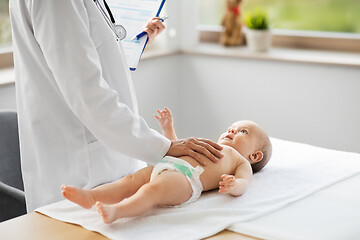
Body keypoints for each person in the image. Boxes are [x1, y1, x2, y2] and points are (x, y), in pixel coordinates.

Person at [9, 0, 223, 212]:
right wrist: (163, 147)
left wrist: (130, 43)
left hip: (104, 164)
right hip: (84, 170)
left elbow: (82, 56)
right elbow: (87, 93)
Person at [62, 108, 272, 224]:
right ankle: (91, 196)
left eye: (243, 132)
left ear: (255, 155)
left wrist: (234, 185)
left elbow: (244, 182)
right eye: (231, 128)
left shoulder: (239, 160)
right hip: (166, 165)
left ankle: (118, 211)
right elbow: (179, 148)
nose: (232, 131)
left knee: (152, 191)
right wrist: (168, 129)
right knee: (129, 181)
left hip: (187, 180)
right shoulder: (212, 145)